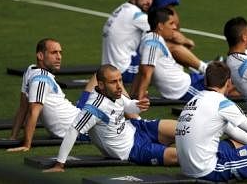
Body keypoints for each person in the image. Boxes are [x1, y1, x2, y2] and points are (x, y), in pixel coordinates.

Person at [43, 64, 178, 173]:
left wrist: (139, 105)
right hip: (133, 149)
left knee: (184, 128)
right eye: (114, 82)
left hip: (138, 127)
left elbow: (129, 106)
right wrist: (59, 164)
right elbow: (73, 131)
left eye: (120, 80)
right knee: (182, 155)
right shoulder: (94, 107)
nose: (119, 86)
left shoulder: (114, 93)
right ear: (101, 85)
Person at [102, 0, 207, 84]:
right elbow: (172, 35)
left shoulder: (122, 9)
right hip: (123, 70)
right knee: (166, 44)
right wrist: (187, 41)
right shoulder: (136, 15)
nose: (149, 1)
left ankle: (193, 68)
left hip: (111, 66)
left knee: (154, 42)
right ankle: (205, 69)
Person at [7, 38, 90, 152]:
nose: (59, 57)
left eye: (60, 53)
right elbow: (32, 111)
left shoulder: (30, 70)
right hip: (81, 129)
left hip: (79, 114)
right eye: (53, 53)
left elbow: (23, 108)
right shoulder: (41, 80)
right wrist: (27, 144)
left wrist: (13, 137)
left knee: (99, 76)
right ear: (40, 56)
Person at [131, 7, 207, 102]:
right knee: (223, 87)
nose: (174, 27)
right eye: (171, 23)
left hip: (188, 83)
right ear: (160, 26)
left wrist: (133, 95)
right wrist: (139, 100)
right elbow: (146, 73)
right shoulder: (153, 43)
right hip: (187, 88)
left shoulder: (150, 38)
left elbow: (142, 71)